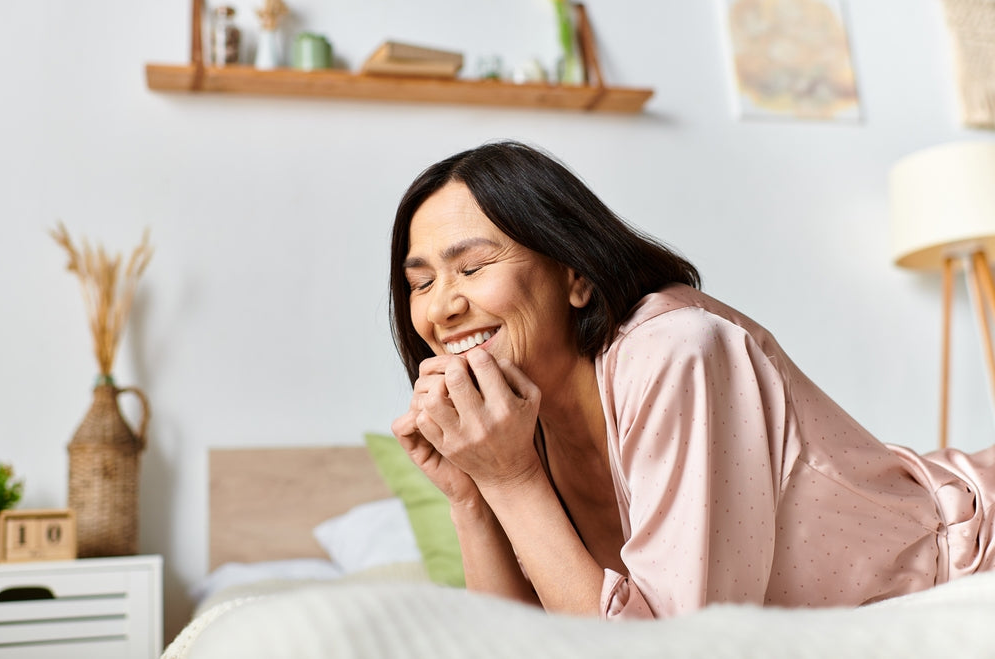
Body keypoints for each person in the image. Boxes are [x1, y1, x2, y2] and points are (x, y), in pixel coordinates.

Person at [388, 140, 995, 620]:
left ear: (574, 276)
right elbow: (515, 644)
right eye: (421, 283)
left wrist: (512, 480)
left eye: (471, 268)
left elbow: (673, 648)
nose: (441, 309)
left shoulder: (675, 350)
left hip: (970, 551)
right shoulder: (517, 425)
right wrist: (473, 494)